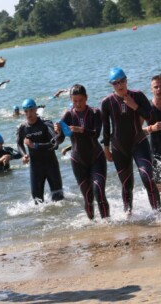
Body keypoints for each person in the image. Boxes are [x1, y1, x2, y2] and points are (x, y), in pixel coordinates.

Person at [101, 67, 161, 215]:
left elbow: (151, 118)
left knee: (147, 177)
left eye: (122, 81)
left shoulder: (138, 96)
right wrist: (106, 148)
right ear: (111, 85)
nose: (120, 85)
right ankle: (128, 215)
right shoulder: (107, 102)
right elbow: (106, 127)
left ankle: (159, 214)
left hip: (139, 142)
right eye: (115, 83)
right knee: (127, 185)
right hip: (119, 147)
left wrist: (134, 106)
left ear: (126, 81)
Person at [56, 84, 110, 220]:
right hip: (78, 161)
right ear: (70, 99)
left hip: (96, 157)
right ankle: (93, 225)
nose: (78, 104)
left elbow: (96, 134)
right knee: (87, 196)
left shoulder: (95, 112)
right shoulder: (68, 115)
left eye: (80, 100)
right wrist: (58, 131)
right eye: (74, 101)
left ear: (86, 98)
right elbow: (60, 139)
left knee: (99, 191)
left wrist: (80, 130)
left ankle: (108, 224)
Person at [16, 98, 64, 204]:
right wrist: (24, 155)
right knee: (37, 203)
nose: (29, 114)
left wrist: (35, 146)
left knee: (59, 200)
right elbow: (19, 144)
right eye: (26, 111)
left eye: (31, 110)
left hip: (51, 165)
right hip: (36, 167)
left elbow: (54, 144)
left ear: (36, 109)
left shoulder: (45, 124)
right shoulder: (23, 128)